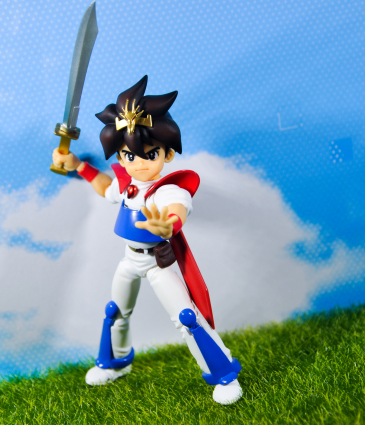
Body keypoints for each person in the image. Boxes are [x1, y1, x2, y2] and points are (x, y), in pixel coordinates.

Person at [52, 76, 242, 405]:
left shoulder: (168, 190)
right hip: (129, 259)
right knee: (115, 312)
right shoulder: (128, 185)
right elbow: (105, 188)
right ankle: (115, 362)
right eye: (129, 156)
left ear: (167, 155)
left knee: (187, 318)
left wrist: (168, 226)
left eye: (150, 154)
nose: (139, 163)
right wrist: (78, 165)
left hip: (157, 263)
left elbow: (177, 209)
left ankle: (223, 374)